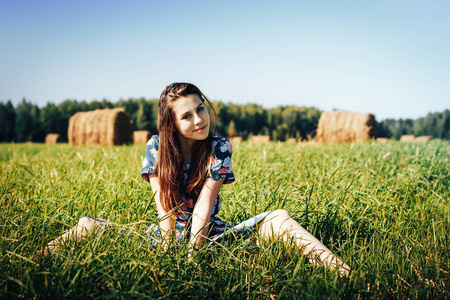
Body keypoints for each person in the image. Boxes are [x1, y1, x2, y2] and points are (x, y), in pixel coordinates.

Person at [44, 82, 350, 276]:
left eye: (200, 108)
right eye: (187, 115)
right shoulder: (157, 147)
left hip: (210, 235)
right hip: (163, 237)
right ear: (172, 123)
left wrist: (193, 256)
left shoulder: (220, 147)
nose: (199, 119)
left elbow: (205, 202)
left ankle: (343, 274)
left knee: (279, 218)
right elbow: (163, 201)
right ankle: (32, 265)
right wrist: (167, 255)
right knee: (88, 224)